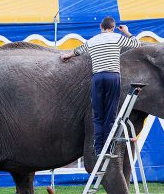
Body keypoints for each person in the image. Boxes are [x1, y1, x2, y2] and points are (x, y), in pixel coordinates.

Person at [60, 16, 141, 157]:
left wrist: (67, 55)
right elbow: (137, 44)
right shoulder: (117, 37)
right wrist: (126, 32)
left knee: (98, 114)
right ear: (113, 27)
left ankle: (98, 150)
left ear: (100, 26)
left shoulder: (93, 40)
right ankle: (108, 149)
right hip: (113, 77)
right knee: (110, 114)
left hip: (98, 77)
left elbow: (78, 50)